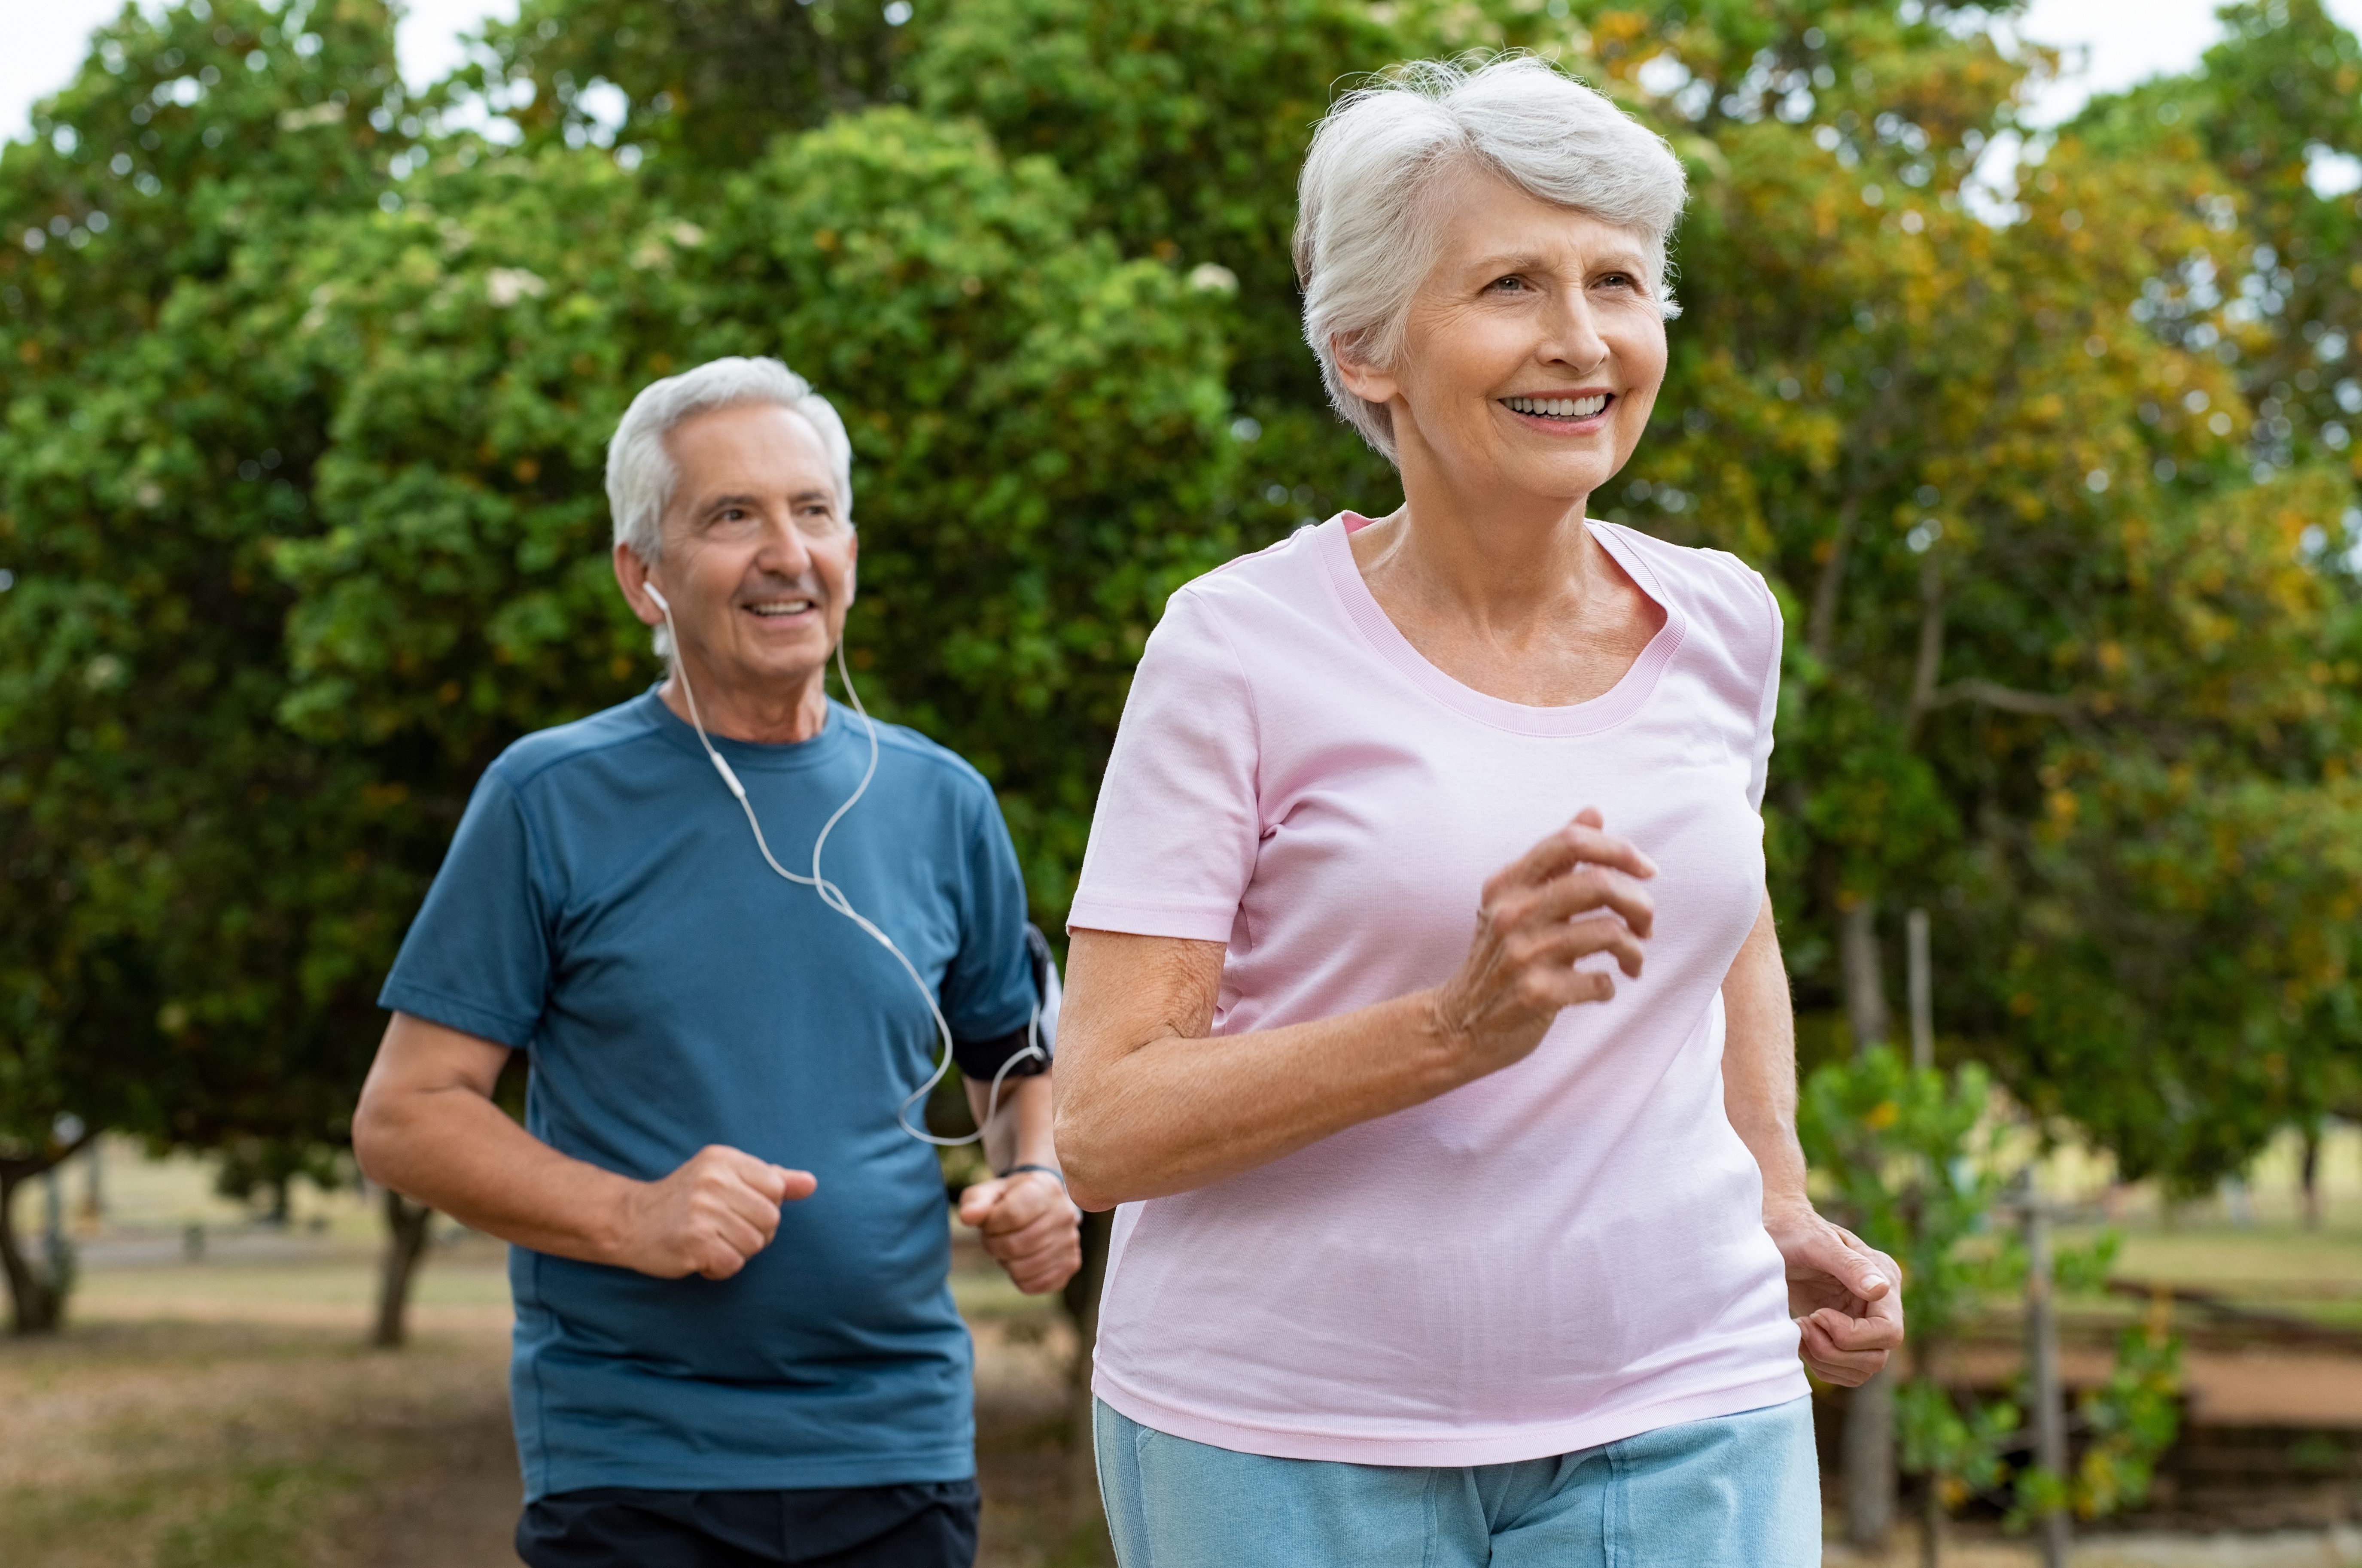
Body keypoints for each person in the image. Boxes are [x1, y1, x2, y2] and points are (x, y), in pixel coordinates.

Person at [1053, 58, 1904, 1566]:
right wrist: (1451, 1026)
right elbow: (1103, 1125)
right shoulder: (1233, 646)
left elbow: (1724, 924)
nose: (1581, 342)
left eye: (1619, 282)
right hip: (1280, 1432)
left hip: (1687, 1397)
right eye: (1510, 284)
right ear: (1365, 346)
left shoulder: (1723, 622)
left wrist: (1774, 1192)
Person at [352, 356, 1081, 1568]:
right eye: (731, 516)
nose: (786, 552)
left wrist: (1038, 1176)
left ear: (851, 544)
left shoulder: (942, 797)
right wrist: (634, 1214)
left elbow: (1010, 1047)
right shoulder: (548, 797)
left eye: (813, 510)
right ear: (645, 576)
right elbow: (406, 1118)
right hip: (638, 1464)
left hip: (900, 1452)